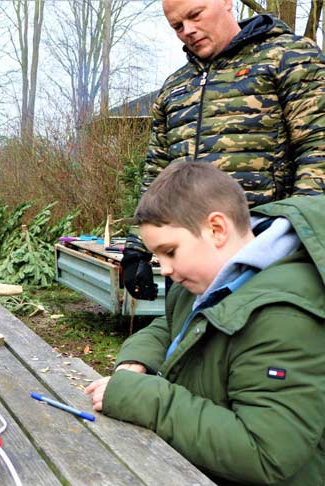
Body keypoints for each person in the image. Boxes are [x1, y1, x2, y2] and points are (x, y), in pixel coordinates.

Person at [86, 161, 325, 486]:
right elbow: (171, 323)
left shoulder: (283, 316)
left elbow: (265, 451)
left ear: (216, 228)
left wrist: (147, 398)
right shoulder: (209, 277)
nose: (163, 269)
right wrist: (136, 361)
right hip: (198, 481)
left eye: (169, 252)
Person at [123, 0, 325, 301]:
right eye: (177, 26)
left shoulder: (290, 57)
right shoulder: (175, 88)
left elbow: (317, 147)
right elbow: (158, 171)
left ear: (227, 3)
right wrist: (138, 246)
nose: (188, 31)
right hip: (191, 262)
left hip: (266, 257)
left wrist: (295, 235)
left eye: (195, 15)